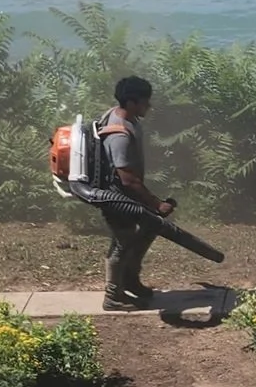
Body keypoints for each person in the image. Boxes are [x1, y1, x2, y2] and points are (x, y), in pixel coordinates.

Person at [77, 76, 183, 310]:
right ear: (132, 102)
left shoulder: (122, 116)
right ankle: (112, 296)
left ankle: (130, 281)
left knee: (148, 228)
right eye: (145, 101)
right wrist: (156, 204)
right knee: (123, 241)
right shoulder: (119, 135)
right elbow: (127, 178)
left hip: (125, 193)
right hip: (116, 195)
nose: (149, 106)